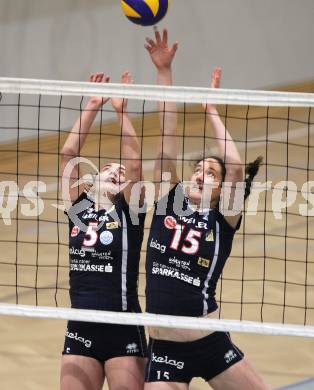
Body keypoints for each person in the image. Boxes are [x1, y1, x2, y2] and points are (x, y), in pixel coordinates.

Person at [144, 29, 270, 389]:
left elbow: (234, 165)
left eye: (209, 173)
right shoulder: (170, 200)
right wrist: (164, 74)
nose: (200, 174)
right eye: (197, 169)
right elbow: (167, 137)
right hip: (165, 349)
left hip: (210, 343)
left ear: (221, 190)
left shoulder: (223, 218)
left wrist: (211, 110)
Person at [60, 71, 147, 390]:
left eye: (120, 172)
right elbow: (68, 155)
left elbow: (135, 163)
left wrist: (121, 112)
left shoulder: (130, 211)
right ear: (93, 179)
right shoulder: (79, 209)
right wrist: (93, 105)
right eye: (108, 168)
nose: (116, 171)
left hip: (122, 325)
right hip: (81, 325)